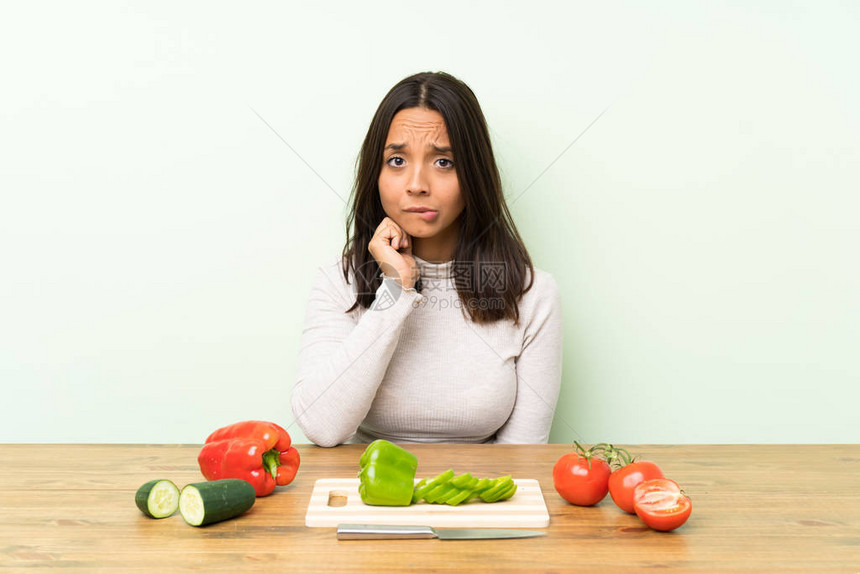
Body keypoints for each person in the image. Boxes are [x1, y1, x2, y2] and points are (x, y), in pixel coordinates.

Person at [291, 71, 563, 446]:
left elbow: (522, 459)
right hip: (367, 498)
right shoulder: (338, 283)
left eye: (444, 162)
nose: (417, 184)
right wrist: (395, 290)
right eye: (397, 160)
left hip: (481, 500)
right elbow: (321, 426)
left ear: (475, 176)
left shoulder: (533, 294)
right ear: (376, 173)